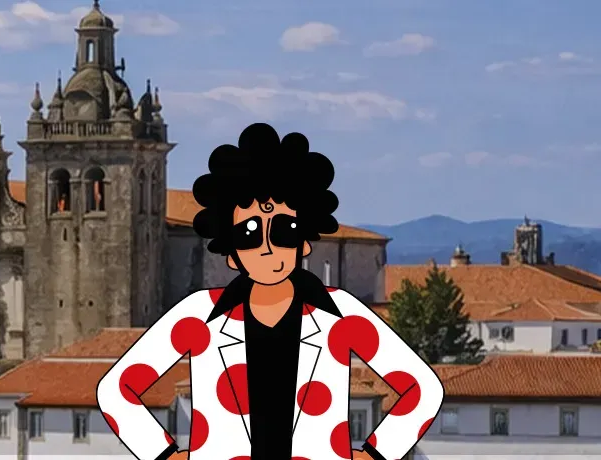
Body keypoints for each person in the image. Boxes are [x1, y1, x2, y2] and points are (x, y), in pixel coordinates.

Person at [95, 123, 443, 460]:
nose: (266, 246)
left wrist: (376, 454)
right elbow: (116, 391)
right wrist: (165, 455)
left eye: (284, 230)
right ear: (230, 251)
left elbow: (423, 390)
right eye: (248, 234)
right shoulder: (198, 315)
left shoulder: (341, 314)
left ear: (304, 242)